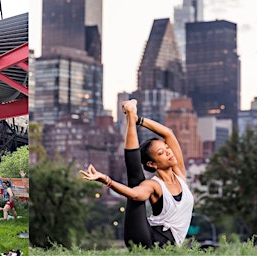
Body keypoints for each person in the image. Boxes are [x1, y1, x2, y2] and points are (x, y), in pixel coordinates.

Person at [79, 99, 194, 248]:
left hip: (170, 245)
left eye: (167, 148)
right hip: (147, 240)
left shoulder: (180, 175)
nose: (168, 152)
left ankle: (131, 117)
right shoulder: (153, 185)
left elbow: (168, 134)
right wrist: (106, 180)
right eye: (161, 153)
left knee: (137, 182)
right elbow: (134, 194)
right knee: (135, 181)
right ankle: (130, 120)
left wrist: (138, 119)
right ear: (152, 164)